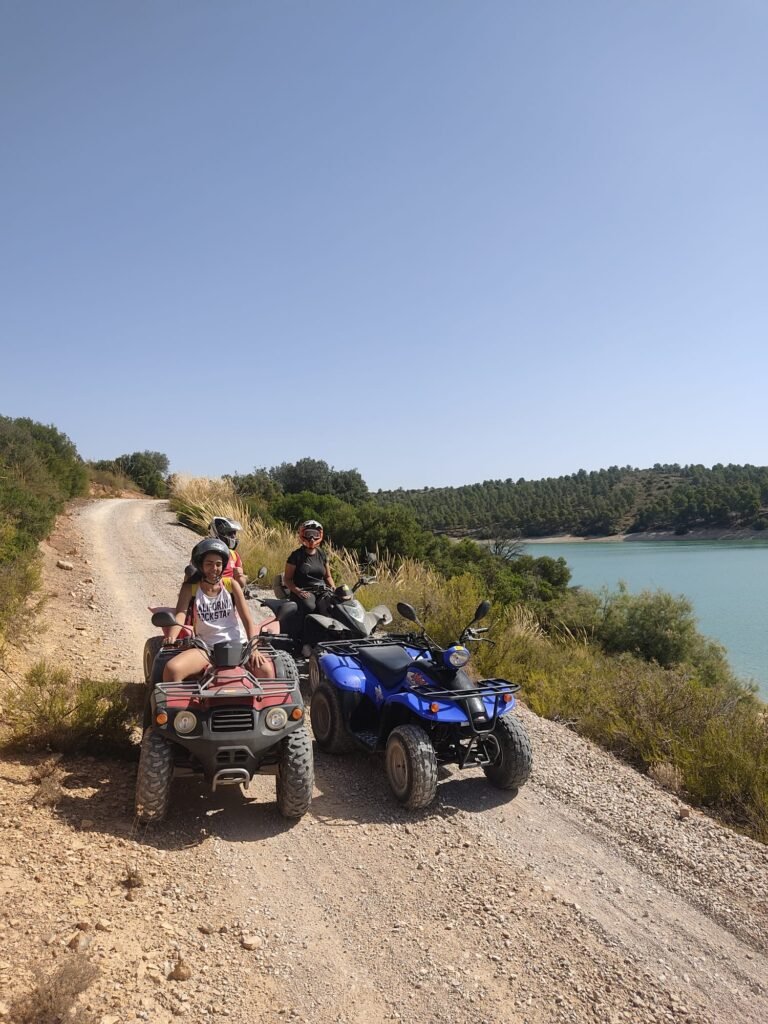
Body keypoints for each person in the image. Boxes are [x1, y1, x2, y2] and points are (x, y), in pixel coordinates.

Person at [163, 538, 272, 681]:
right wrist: (171, 636)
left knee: (266, 671)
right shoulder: (190, 588)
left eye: (218, 564)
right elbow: (180, 614)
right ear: (200, 565)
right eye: (209, 564)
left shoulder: (231, 585)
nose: (214, 568)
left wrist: (253, 648)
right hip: (206, 648)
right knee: (173, 669)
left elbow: (247, 619)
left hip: (237, 646)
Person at [283, 519, 336, 616]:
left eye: (315, 534)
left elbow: (328, 577)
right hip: (304, 590)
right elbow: (287, 579)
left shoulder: (322, 554)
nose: (312, 538)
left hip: (322, 590)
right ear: (302, 535)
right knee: (310, 607)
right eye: (308, 534)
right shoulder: (296, 556)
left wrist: (333, 588)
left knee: (333, 607)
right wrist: (297, 591)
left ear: (320, 535)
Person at [210, 516, 247, 587]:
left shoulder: (234, 555)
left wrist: (239, 577)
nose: (233, 536)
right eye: (230, 533)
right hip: (209, 592)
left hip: (230, 594)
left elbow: (242, 584)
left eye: (234, 533)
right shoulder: (205, 552)